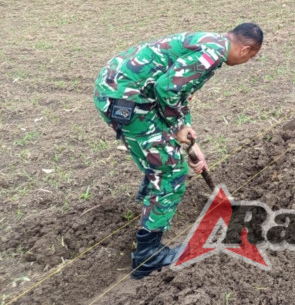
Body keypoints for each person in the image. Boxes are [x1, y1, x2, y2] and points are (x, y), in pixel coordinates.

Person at [94, 23, 263, 279]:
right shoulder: (212, 55)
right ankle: (148, 256)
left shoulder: (213, 43)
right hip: (127, 98)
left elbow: (179, 93)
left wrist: (190, 137)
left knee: (164, 153)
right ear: (245, 49)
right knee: (172, 171)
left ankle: (152, 196)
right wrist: (176, 126)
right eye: (252, 57)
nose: (249, 61)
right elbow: (167, 89)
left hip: (124, 90)